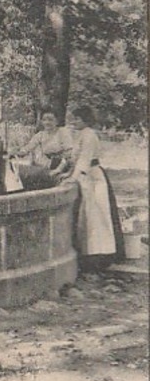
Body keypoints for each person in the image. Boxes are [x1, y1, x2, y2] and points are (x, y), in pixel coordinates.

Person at [63, 105, 125, 271]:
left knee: (97, 216)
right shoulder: (80, 135)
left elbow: (85, 159)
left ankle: (101, 257)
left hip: (93, 176)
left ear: (86, 120)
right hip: (85, 177)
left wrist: (73, 178)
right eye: (73, 118)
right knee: (87, 216)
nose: (74, 121)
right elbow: (74, 159)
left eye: (77, 118)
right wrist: (68, 173)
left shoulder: (89, 135)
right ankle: (89, 254)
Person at [17, 110, 73, 177]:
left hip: (62, 164)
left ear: (56, 121)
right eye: (44, 120)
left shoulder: (62, 132)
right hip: (48, 164)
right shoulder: (40, 135)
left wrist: (60, 167)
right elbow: (29, 146)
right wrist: (21, 152)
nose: (47, 122)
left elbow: (69, 152)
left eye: (50, 120)